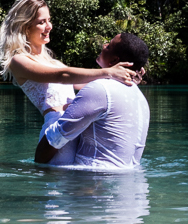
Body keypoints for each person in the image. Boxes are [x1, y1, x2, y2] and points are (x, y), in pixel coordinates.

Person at [0, 0, 139, 165]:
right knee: (56, 188)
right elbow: (61, 76)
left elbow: (84, 85)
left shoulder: (54, 62)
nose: (49, 26)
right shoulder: (19, 61)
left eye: (49, 20)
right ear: (26, 28)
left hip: (75, 125)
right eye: (42, 22)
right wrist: (108, 71)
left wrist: (126, 78)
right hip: (57, 127)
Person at [35, 32, 150, 169]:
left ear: (114, 61)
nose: (104, 45)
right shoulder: (140, 98)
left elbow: (55, 139)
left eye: (109, 46)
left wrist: (37, 168)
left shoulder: (100, 89)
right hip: (129, 184)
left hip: (91, 183)